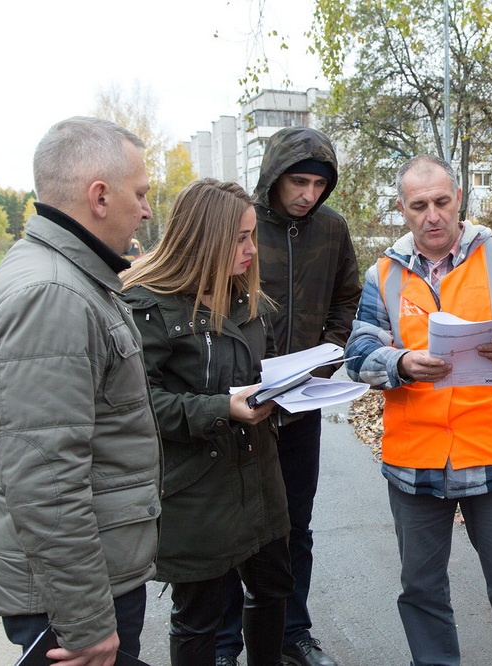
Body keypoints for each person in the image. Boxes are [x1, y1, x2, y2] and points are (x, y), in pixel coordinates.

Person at [345, 155, 492, 666]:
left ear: (459, 199)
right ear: (402, 209)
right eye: (419, 205)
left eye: (441, 202)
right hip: (415, 459)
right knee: (420, 590)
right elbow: (357, 356)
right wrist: (399, 362)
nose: (432, 216)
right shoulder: (383, 275)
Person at [0, 116, 161, 664]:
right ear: (100, 196)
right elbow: (46, 478)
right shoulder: (53, 294)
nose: (148, 209)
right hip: (71, 601)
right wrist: (86, 624)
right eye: (141, 193)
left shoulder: (67, 274)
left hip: (78, 583)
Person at [121, 179, 294, 665]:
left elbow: (266, 370)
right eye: (240, 237)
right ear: (204, 239)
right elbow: (138, 404)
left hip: (260, 479)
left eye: (253, 235)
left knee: (273, 588)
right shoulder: (147, 306)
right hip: (197, 489)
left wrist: (287, 388)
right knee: (199, 613)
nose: (251, 249)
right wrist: (221, 407)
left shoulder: (250, 300)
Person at [216, 127, 361, 666]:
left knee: (295, 525)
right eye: (298, 181)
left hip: (302, 402)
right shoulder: (241, 225)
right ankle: (225, 643)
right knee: (234, 527)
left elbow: (348, 295)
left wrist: (331, 347)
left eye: (319, 184)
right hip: (243, 403)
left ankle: (291, 633)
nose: (308, 194)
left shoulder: (332, 229)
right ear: (274, 176)